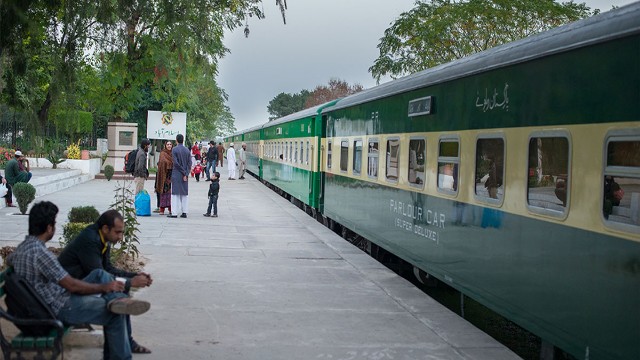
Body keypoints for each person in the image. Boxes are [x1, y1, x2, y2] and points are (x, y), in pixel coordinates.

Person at [7, 201, 150, 360]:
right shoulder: (40, 253)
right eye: (54, 223)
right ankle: (118, 305)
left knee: (100, 275)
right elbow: (72, 286)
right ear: (49, 228)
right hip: (58, 307)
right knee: (115, 313)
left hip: (50, 300)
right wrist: (105, 287)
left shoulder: (23, 248)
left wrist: (126, 279)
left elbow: (11, 260)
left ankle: (117, 300)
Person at [58, 209, 154, 355]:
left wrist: (135, 275)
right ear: (105, 228)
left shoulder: (103, 239)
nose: (120, 237)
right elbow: (99, 275)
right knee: (113, 286)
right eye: (118, 232)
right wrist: (129, 282)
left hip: (82, 285)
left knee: (119, 297)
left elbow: (109, 269)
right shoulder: (90, 240)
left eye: (122, 232)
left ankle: (127, 334)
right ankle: (121, 309)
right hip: (70, 290)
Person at [170, 134, 192, 218]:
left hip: (177, 173)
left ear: (176, 140)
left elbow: (176, 163)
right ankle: (184, 212)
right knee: (184, 193)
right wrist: (186, 173)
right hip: (185, 175)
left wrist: (182, 172)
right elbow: (189, 163)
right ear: (183, 140)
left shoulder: (174, 149)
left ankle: (174, 213)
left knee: (175, 193)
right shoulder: (187, 150)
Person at [155, 141, 173, 215]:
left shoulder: (173, 153)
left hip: (171, 175)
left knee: (170, 193)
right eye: (167, 144)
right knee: (163, 192)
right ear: (165, 145)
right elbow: (162, 162)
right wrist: (169, 163)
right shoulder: (163, 153)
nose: (169, 146)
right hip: (163, 175)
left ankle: (170, 209)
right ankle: (161, 209)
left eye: (170, 144)